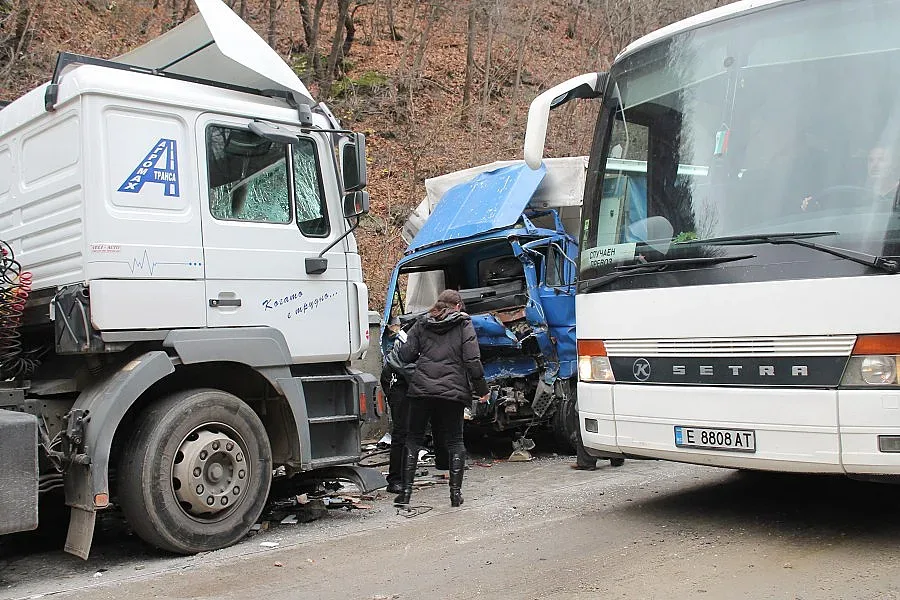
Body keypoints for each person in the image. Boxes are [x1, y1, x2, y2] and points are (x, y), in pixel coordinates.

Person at [393, 289, 489, 507]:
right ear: (457, 306)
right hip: (452, 392)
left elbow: (406, 355)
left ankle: (405, 494)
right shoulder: (464, 325)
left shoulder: (422, 322)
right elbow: (472, 360)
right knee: (455, 441)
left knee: (413, 439)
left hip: (422, 389)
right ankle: (455, 495)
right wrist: (482, 389)